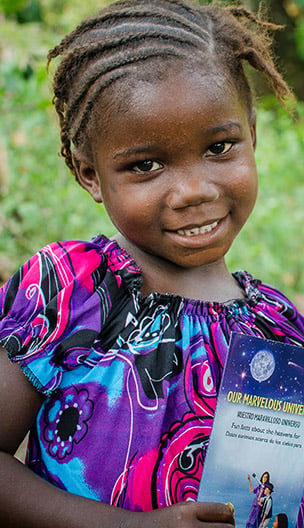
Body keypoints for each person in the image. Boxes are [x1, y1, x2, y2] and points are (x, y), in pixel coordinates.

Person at [0, 0, 303, 526]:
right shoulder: (69, 291)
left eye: (220, 147)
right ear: (90, 174)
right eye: (146, 164)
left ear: (252, 137)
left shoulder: (279, 332)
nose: (192, 191)